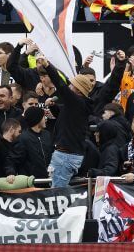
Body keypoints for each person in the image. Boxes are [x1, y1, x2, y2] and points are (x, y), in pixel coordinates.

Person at [39, 55, 93, 187]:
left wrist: (47, 65)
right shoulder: (78, 104)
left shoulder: (77, 101)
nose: (69, 87)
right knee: (61, 192)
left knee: (57, 194)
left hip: (65, 156)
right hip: (67, 155)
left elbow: (60, 84)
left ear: (78, 90)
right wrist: (54, 107)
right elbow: (64, 119)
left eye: (72, 85)